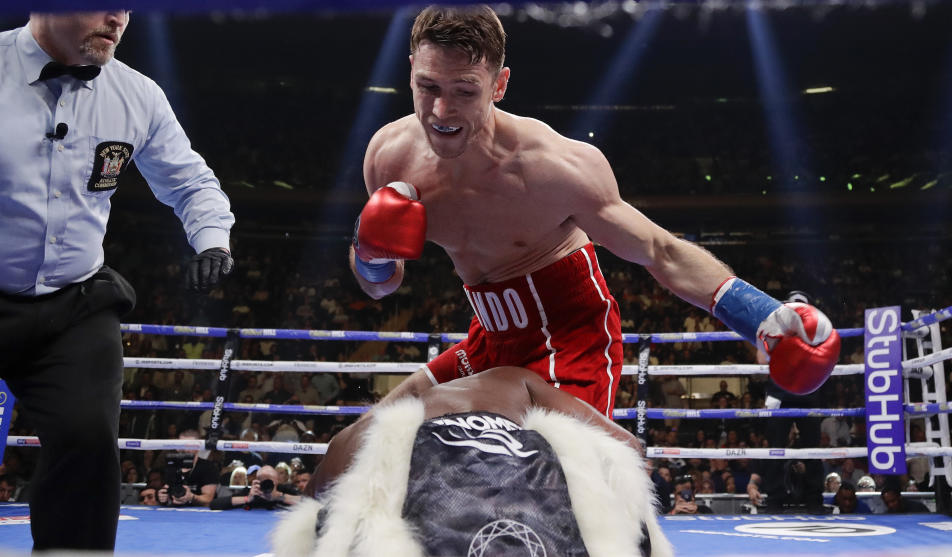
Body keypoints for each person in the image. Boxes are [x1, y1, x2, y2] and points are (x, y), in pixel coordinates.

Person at [350, 5, 840, 419]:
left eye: (464, 92)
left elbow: (659, 251)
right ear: (411, 67)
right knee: (374, 438)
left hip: (570, 339)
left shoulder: (554, 169)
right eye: (428, 87)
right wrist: (368, 251)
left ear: (499, 85)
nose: (441, 112)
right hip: (489, 338)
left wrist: (758, 315)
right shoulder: (389, 157)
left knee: (529, 487)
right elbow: (381, 285)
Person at [0, 10, 234, 551]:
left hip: (74, 302)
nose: (117, 18)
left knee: (87, 443)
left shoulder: (137, 94)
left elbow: (191, 180)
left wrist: (213, 240)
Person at [274, 366, 672, 557]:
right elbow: (627, 447)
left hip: (420, 486)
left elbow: (320, 503)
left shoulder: (383, 422)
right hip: (532, 491)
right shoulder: (516, 379)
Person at [748, 290, 828, 512]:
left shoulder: (818, 330)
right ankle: (774, 499)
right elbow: (761, 360)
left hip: (807, 391)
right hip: (779, 392)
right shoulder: (774, 328)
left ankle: (814, 499)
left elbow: (825, 360)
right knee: (775, 447)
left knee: (812, 448)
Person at [209, 464, 301, 511]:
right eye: (262, 480)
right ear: (257, 481)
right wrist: (247, 499)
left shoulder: (283, 490)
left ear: (277, 481)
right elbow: (214, 504)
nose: (266, 483)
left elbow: (307, 501)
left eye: (269, 480)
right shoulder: (253, 491)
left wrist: (279, 496)